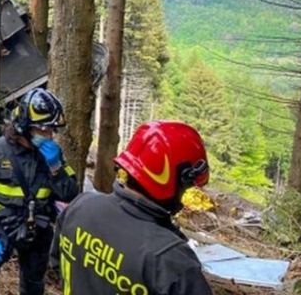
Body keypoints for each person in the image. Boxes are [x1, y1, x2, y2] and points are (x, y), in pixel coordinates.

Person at [52, 120, 212, 295]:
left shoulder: (81, 206)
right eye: (187, 188)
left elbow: (57, 264)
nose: (183, 201)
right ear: (176, 180)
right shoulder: (172, 261)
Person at [0, 88, 79, 295]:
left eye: (51, 130)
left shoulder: (53, 156)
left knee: (33, 286)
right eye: (43, 130)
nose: (49, 136)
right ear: (24, 127)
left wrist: (56, 168)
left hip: (38, 230)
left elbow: (70, 195)